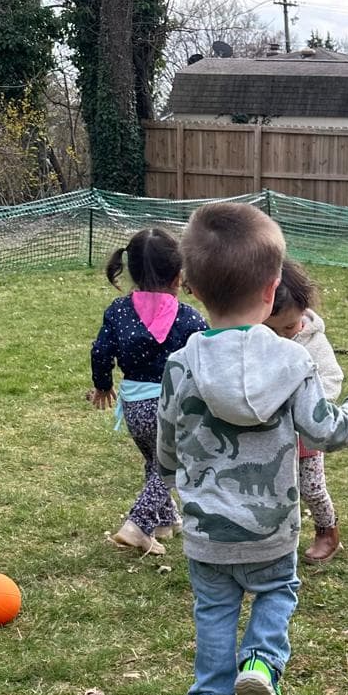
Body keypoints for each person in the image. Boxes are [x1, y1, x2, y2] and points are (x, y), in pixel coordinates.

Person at [156, 200, 348, 695]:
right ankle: (262, 665)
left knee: (214, 611)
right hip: (271, 529)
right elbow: (327, 432)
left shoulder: (179, 365)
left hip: (206, 532)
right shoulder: (294, 361)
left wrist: (174, 479)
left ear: (193, 288)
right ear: (272, 291)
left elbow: (166, 442)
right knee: (276, 592)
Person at [90, 227, 206, 556]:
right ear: (178, 275)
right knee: (170, 466)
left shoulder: (118, 311)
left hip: (134, 408)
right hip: (171, 408)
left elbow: (100, 351)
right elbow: (209, 357)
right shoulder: (190, 318)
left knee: (155, 462)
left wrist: (103, 384)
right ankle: (138, 525)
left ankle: (167, 520)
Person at [263, 259, 345, 563]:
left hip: (305, 434)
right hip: (271, 434)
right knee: (275, 488)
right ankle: (276, 536)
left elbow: (332, 378)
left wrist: (308, 406)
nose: (283, 335)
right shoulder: (260, 341)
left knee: (312, 488)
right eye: (272, 328)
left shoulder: (314, 341)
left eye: (289, 326)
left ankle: (327, 530)